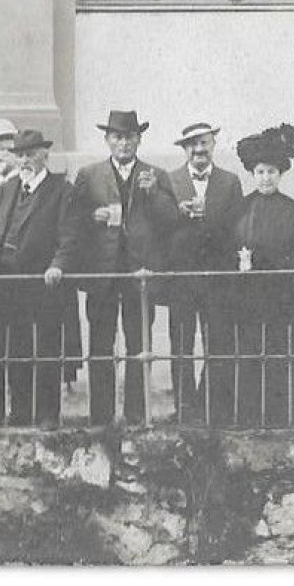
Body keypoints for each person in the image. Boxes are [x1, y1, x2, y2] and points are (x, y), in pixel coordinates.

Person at [71, 109, 181, 425]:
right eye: (117, 137)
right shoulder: (89, 175)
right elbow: (73, 222)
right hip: (103, 273)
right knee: (101, 345)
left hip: (140, 274)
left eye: (130, 136)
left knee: (139, 345)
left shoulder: (156, 175)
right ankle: (101, 416)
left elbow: (171, 221)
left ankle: (136, 413)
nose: (124, 143)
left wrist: (153, 193)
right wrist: (93, 218)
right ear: (107, 140)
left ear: (139, 139)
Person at [0, 129, 79, 427]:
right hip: (4, 279)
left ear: (45, 155)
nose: (25, 160)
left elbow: (69, 236)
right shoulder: (8, 188)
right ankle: (21, 412)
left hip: (41, 280)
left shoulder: (61, 189)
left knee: (45, 347)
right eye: (20, 154)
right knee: (15, 347)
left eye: (31, 154)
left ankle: (47, 414)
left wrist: (58, 265)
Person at [219, 125, 294, 428]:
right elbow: (225, 247)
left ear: (280, 174)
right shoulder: (239, 209)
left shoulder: (293, 211)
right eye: (261, 172)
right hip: (246, 297)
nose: (266, 178)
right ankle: (248, 415)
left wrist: (275, 265)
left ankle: (286, 416)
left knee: (282, 352)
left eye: (272, 172)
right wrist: (238, 263)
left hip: (282, 298)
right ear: (252, 173)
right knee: (248, 351)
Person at [166, 121, 244, 424]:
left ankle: (215, 407)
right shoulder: (169, 181)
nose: (199, 150)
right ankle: (185, 408)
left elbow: (237, 228)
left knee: (219, 342)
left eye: (204, 143)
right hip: (182, 279)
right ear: (184, 149)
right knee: (181, 344)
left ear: (214, 145)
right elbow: (159, 227)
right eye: (192, 145)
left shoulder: (230, 182)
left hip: (217, 278)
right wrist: (178, 212)